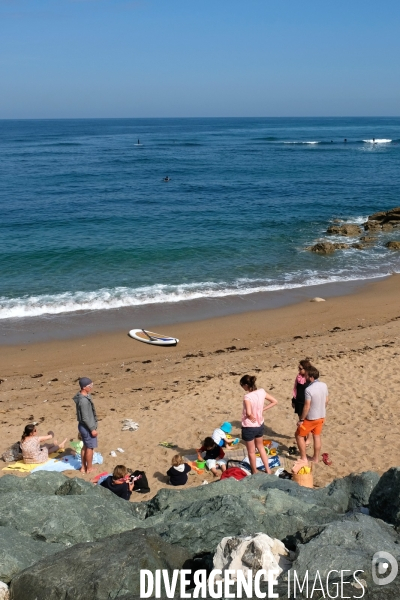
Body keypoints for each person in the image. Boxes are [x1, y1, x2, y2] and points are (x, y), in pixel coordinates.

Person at [240, 374, 278, 475]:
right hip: (260, 424)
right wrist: (262, 409)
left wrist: (250, 416)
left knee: (251, 451)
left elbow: (248, 412)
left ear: (246, 385)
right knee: (261, 447)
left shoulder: (247, 397)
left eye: (242, 386)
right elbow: (274, 401)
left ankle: (254, 471)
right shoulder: (261, 391)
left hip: (249, 427)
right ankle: (268, 469)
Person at [295, 365, 329, 463]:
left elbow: (307, 406)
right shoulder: (324, 385)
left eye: (306, 376)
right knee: (317, 436)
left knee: (299, 435)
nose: (305, 378)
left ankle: (304, 457)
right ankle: (315, 458)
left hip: (311, 418)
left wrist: (301, 419)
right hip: (321, 416)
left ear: (311, 377)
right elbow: (327, 400)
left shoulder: (309, 390)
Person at [73, 377, 98, 474]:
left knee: (85, 447)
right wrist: (92, 429)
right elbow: (85, 417)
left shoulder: (81, 396)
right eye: (90, 386)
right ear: (84, 387)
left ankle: (83, 467)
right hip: (87, 427)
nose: (91, 387)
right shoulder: (83, 401)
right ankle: (89, 468)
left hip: (83, 426)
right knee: (89, 448)